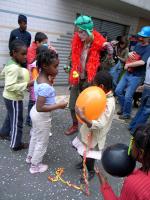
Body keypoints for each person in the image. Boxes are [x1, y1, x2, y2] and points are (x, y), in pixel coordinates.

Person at [26, 48, 67, 174]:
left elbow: (32, 83)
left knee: (35, 136)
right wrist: (58, 106)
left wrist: (28, 85)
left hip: (35, 113)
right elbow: (40, 107)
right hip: (41, 116)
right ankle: (35, 166)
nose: (57, 70)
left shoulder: (40, 76)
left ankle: (30, 157)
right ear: (44, 66)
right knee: (42, 141)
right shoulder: (45, 86)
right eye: (55, 66)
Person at [65, 15, 106, 135]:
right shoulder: (77, 41)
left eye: (82, 32)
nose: (79, 34)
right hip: (77, 78)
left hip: (90, 80)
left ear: (89, 32)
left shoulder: (100, 46)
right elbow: (71, 56)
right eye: (78, 31)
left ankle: (86, 127)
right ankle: (74, 124)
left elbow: (106, 67)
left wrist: (109, 55)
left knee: (87, 106)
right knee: (72, 105)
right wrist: (69, 66)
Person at [72, 71, 115, 182]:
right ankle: (83, 162)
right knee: (80, 149)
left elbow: (100, 123)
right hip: (87, 129)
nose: (92, 87)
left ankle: (90, 170)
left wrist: (83, 116)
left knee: (90, 156)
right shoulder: (98, 95)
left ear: (101, 86)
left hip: (95, 135)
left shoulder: (109, 102)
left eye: (94, 84)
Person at [95, 123, 150, 200]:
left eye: (132, 142)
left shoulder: (134, 185)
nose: (130, 147)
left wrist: (105, 185)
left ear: (141, 153)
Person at [0, 40, 33, 150]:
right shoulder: (14, 68)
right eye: (23, 54)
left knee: (10, 116)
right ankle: (16, 144)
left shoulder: (10, 63)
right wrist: (27, 84)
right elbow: (10, 86)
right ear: (14, 53)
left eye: (26, 54)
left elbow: (3, 75)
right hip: (14, 98)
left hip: (8, 97)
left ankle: (3, 133)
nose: (25, 57)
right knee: (17, 121)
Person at [115, 26, 150, 120]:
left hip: (137, 76)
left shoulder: (149, 48)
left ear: (149, 38)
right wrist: (130, 53)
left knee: (128, 96)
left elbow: (142, 62)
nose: (141, 38)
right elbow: (133, 55)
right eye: (141, 36)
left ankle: (126, 114)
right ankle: (124, 108)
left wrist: (128, 65)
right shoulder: (138, 45)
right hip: (128, 73)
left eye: (143, 36)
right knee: (118, 91)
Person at [25, 32, 48, 126]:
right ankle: (30, 120)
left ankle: (30, 120)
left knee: (33, 103)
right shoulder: (35, 64)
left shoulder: (38, 61)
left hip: (36, 87)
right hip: (34, 87)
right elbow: (35, 77)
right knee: (33, 103)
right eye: (44, 42)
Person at [129, 57, 150, 134]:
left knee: (142, 108)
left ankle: (132, 126)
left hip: (146, 84)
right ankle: (135, 130)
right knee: (146, 110)